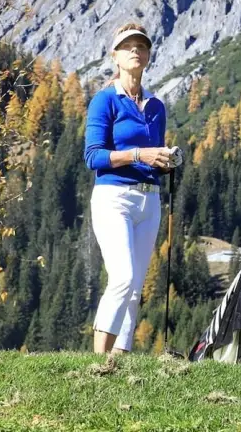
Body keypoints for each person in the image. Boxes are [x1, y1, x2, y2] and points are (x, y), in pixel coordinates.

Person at [84, 22, 177, 354]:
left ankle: (120, 362)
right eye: (128, 46)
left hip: (149, 201)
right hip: (114, 198)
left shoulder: (156, 107)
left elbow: (153, 155)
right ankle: (99, 360)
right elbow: (93, 157)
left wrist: (164, 162)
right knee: (122, 277)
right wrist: (139, 153)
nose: (136, 50)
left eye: (142, 46)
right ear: (115, 56)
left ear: (149, 56)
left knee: (135, 287)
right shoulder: (105, 101)